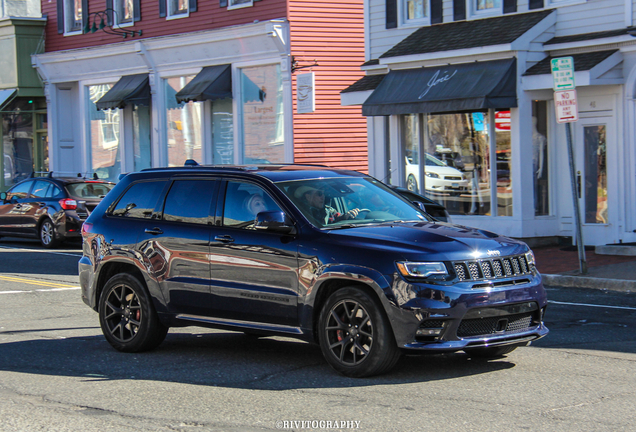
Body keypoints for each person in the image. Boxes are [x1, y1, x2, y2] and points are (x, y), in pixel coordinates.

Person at [295, 185, 360, 225]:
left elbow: (336, 217)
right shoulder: (300, 213)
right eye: (319, 194)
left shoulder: (328, 210)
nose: (323, 197)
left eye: (323, 194)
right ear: (308, 197)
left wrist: (346, 216)